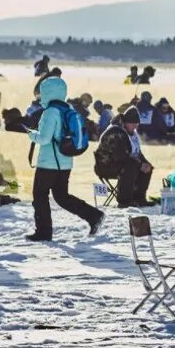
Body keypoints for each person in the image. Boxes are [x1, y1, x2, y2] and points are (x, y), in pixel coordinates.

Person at [25, 76, 105, 241]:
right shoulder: (68, 108)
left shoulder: (49, 112)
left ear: (47, 92)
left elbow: (44, 139)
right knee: (62, 197)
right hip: (66, 162)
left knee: (39, 195)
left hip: (48, 163)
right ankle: (94, 216)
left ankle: (43, 232)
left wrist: (31, 134)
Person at [95, 107, 154, 208]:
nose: (135, 126)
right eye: (133, 124)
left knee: (146, 167)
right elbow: (120, 155)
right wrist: (140, 165)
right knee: (131, 166)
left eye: (137, 124)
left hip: (122, 163)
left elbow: (137, 153)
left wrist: (145, 164)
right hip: (106, 165)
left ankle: (139, 198)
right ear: (126, 122)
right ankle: (124, 201)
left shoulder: (132, 133)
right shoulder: (116, 132)